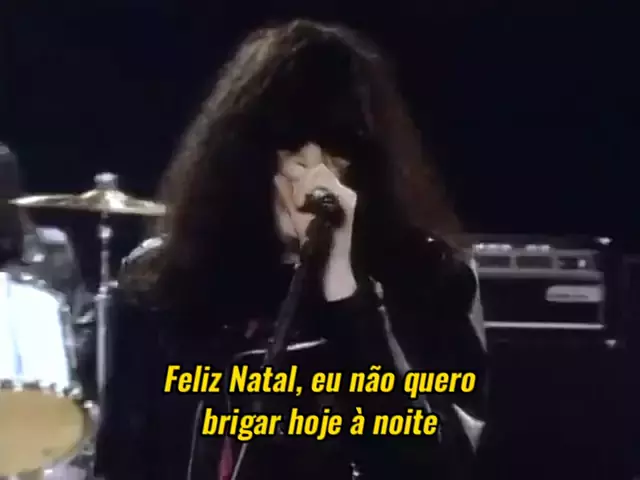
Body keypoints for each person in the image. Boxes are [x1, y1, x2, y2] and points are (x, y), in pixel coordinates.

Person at [95, 19, 488, 480]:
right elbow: (123, 460)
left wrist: (345, 294)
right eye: (291, 148)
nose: (313, 172)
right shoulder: (162, 284)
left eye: (337, 149)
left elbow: (435, 468)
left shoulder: (429, 280)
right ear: (246, 155)